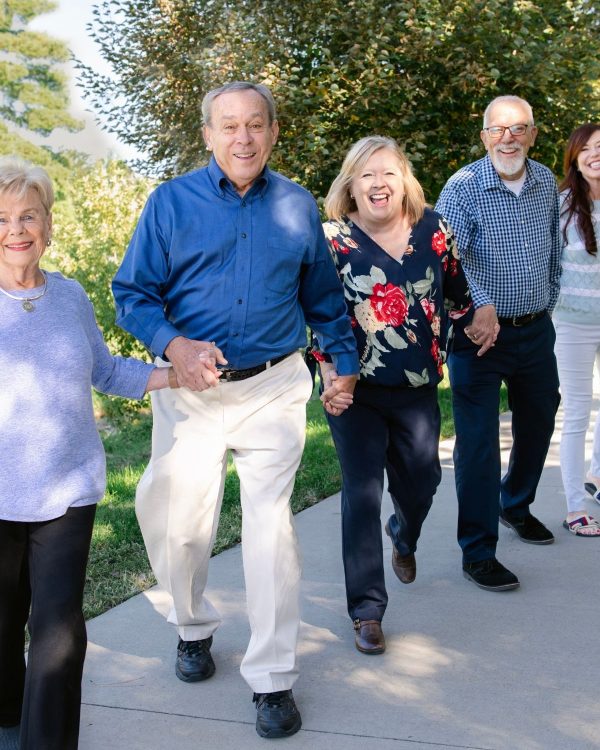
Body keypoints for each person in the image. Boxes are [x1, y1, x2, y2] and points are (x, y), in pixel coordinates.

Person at [112, 81, 359, 739]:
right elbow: (131, 294)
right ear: (208, 135)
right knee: (177, 521)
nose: (243, 138)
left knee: (270, 529)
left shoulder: (297, 206)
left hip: (274, 388)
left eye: (256, 125)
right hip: (192, 391)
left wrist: (341, 362)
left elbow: (325, 301)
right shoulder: (171, 204)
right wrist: (174, 346)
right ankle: (192, 626)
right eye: (230, 126)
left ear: (274, 133)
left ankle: (273, 679)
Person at [0, 157, 176, 750]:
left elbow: (102, 368)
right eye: (2, 218)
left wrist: (171, 374)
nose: (16, 229)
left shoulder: (70, 296)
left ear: (48, 225)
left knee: (58, 631)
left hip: (66, 488)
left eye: (28, 215)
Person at [313, 136, 471, 654]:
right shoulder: (330, 240)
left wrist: (478, 318)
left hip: (417, 386)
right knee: (361, 492)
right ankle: (367, 611)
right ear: (350, 186)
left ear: (405, 180)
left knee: (423, 478)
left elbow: (456, 289)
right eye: (366, 175)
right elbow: (316, 312)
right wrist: (331, 374)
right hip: (353, 391)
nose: (379, 184)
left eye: (388, 174)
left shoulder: (432, 228)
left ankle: (404, 532)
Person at [435, 95, 561, 591]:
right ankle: (478, 550)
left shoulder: (547, 181)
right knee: (479, 444)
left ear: (532, 134)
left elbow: (552, 243)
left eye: (519, 128)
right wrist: (480, 304)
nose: (508, 137)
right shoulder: (463, 187)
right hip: (477, 336)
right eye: (498, 129)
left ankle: (516, 504)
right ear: (484, 135)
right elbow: (447, 256)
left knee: (540, 416)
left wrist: (547, 299)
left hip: (533, 329)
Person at [553, 124, 600, 537]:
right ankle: (575, 506)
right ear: (575, 157)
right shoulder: (562, 203)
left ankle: (597, 479)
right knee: (578, 412)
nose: (594, 154)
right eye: (586, 148)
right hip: (571, 321)